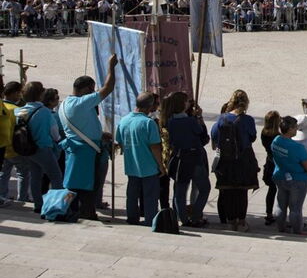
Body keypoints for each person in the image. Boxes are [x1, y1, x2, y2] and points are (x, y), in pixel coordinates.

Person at [60, 54, 117, 219]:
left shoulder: (65, 103)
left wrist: (99, 134)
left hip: (77, 148)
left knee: (74, 183)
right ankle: (86, 212)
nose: (93, 93)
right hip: (86, 150)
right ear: (84, 89)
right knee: (88, 185)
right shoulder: (80, 103)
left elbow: (81, 124)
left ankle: (73, 210)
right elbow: (108, 88)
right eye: (91, 90)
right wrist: (111, 67)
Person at [210, 89, 259, 232]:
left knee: (229, 193)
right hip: (243, 160)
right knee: (241, 193)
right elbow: (252, 137)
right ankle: (242, 221)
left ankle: (231, 222)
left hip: (226, 160)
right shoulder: (248, 120)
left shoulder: (222, 118)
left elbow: (214, 136)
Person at [115, 92, 165, 226]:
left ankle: (132, 218)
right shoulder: (148, 123)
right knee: (150, 196)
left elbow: (119, 142)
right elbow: (155, 147)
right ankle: (150, 220)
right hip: (148, 166)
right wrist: (160, 165)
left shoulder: (124, 120)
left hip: (131, 165)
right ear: (149, 106)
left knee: (132, 195)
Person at [14, 81, 64, 213]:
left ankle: (38, 204)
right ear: (40, 94)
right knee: (56, 176)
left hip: (27, 149)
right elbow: (54, 132)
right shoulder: (45, 112)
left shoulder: (19, 111)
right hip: (43, 148)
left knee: (35, 176)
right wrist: (59, 141)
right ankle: (55, 207)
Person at [166, 92, 211, 227]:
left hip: (180, 158)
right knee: (204, 188)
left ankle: (183, 218)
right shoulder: (190, 121)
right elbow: (202, 134)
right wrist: (198, 117)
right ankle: (195, 215)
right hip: (194, 158)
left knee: (180, 192)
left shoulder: (170, 121)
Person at [271, 116, 307, 235]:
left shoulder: (276, 141)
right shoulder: (298, 147)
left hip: (280, 176)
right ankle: (297, 230)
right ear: (289, 129)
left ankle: (281, 227)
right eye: (295, 128)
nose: (296, 130)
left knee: (280, 205)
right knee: (295, 208)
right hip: (297, 179)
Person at [0, 82, 26, 206]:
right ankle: (22, 199)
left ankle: (2, 196)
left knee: (4, 173)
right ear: (15, 93)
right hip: (15, 149)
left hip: (3, 147)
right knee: (23, 173)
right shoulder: (16, 110)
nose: (20, 95)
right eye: (19, 92)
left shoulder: (2, 106)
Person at [260, 110, 282, 226]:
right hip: (277, 164)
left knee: (271, 190)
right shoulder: (277, 136)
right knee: (281, 190)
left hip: (269, 162)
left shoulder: (264, 133)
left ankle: (269, 213)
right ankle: (280, 213)